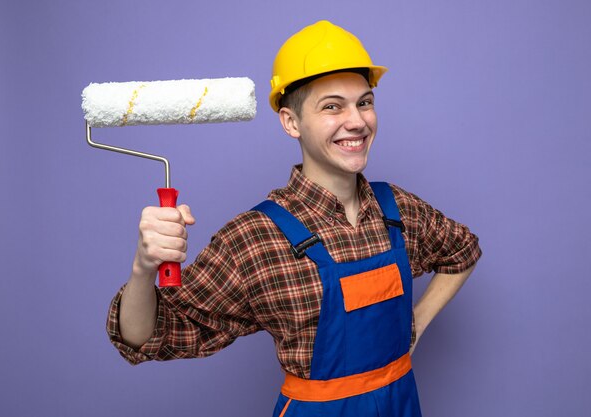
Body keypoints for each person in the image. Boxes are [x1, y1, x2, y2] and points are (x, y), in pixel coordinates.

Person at [106, 20, 481, 417]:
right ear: (290, 122)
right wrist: (143, 267)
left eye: (365, 102)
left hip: (401, 402)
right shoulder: (255, 238)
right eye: (332, 106)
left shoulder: (399, 211)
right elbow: (146, 336)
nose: (356, 121)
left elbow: (463, 250)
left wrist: (416, 323)